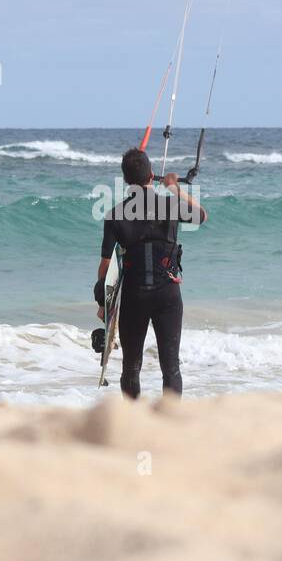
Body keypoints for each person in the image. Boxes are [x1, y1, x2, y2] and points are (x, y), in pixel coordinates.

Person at [96, 147, 207, 399]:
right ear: (151, 175)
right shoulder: (171, 205)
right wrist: (174, 188)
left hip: (134, 297)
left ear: (126, 180)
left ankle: (133, 416)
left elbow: (105, 266)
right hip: (168, 295)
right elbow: (201, 215)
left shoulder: (114, 215)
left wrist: (104, 303)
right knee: (171, 366)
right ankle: (170, 418)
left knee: (131, 366)